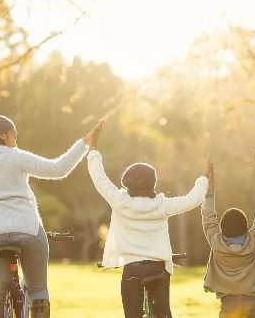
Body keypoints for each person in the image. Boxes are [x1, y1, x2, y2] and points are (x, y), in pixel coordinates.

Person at [0, 110, 102, 318]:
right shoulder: (15, 157)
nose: (15, 141)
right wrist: (84, 143)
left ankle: (4, 308)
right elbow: (59, 169)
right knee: (38, 289)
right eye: (14, 135)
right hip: (28, 231)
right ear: (3, 135)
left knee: (2, 294)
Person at [86, 122, 212, 318]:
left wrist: (93, 149)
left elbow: (99, 178)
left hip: (132, 270)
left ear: (126, 184)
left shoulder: (119, 201)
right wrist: (204, 178)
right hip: (157, 268)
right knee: (163, 315)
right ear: (153, 183)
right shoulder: (162, 205)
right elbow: (191, 200)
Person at [201, 152, 255, 318]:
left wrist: (210, 185)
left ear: (221, 227)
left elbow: (208, 216)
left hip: (228, 303)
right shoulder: (254, 240)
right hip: (253, 301)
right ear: (246, 227)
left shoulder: (216, 242)